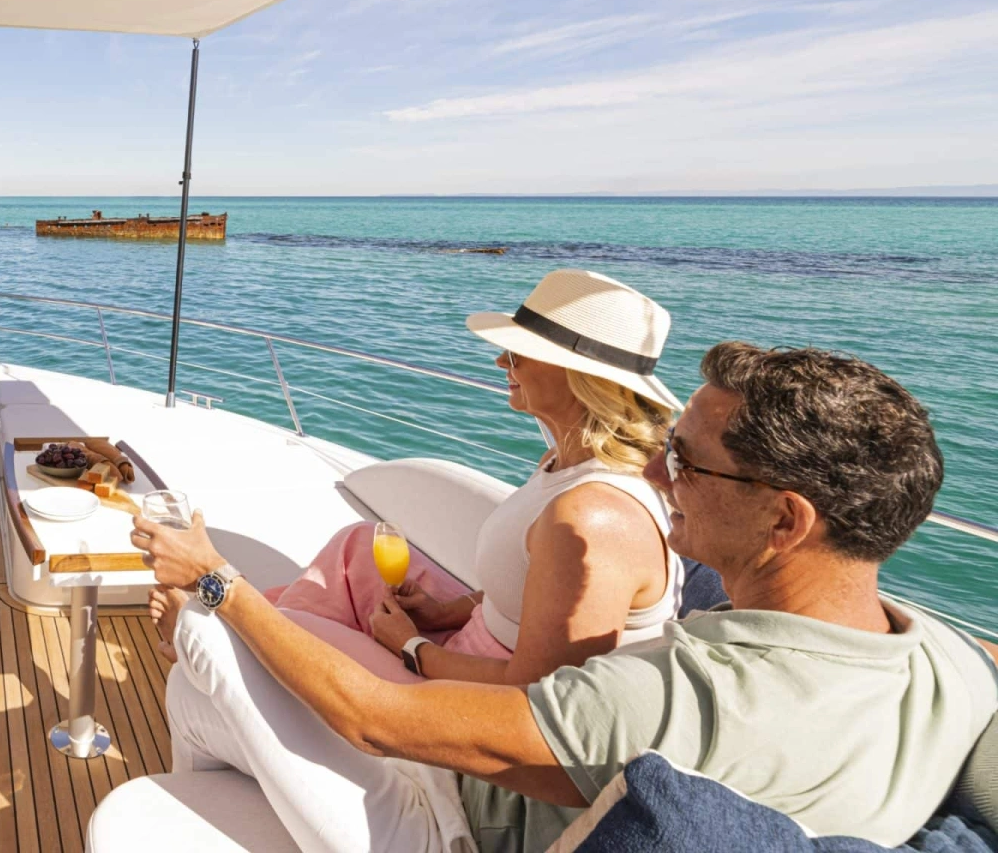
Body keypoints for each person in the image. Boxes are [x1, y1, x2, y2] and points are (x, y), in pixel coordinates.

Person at [122, 342, 996, 852]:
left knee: (204, 653)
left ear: (785, 520)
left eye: (687, 462)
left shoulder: (674, 702)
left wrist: (213, 580)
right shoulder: (955, 663)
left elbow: (376, 720)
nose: (658, 474)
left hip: (452, 823)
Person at [153, 269, 681, 689]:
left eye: (518, 352)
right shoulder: (566, 463)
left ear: (579, 377)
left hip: (466, 694)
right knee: (358, 545)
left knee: (284, 633)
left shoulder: (596, 520)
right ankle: (246, 661)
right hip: (469, 640)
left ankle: (217, 645)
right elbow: (532, 592)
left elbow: (536, 695)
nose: (501, 360)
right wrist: (446, 612)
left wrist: (412, 647)